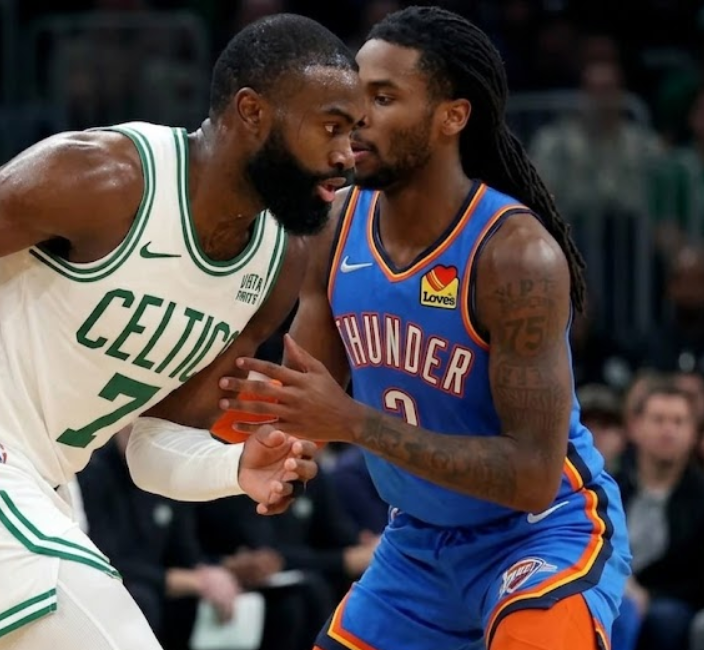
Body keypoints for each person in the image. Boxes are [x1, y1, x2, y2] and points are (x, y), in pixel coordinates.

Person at [0, 14, 361, 650]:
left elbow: (151, 448)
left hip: (38, 485)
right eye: (330, 127)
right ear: (252, 113)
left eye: (353, 133)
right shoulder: (103, 180)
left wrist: (235, 465)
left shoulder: (277, 263)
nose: (348, 155)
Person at [218, 7, 631, 650]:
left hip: (541, 533)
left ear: (451, 117)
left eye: (383, 98)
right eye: (356, 95)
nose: (359, 117)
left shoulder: (515, 254)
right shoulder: (337, 226)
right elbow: (306, 400)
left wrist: (352, 423)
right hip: (415, 544)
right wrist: (276, 452)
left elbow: (530, 475)